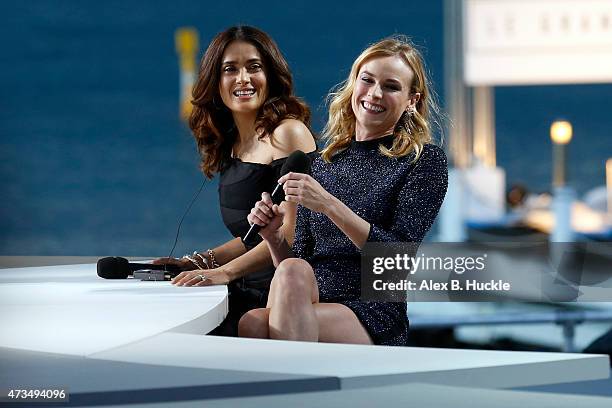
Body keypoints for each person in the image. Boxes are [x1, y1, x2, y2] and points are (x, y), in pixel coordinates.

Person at [239, 36, 448, 346]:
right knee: (263, 307)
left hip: (371, 308)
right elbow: (297, 261)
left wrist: (329, 205)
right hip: (308, 299)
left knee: (262, 323)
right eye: (368, 80)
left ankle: (296, 391)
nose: (375, 93)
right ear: (355, 84)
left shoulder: (424, 161)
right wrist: (273, 236)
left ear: (412, 100)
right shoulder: (320, 164)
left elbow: (397, 258)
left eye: (391, 86)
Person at [153, 26, 316, 336]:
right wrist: (198, 261)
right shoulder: (233, 145)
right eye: (231, 69)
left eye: (254, 67)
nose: (243, 78)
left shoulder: (287, 133)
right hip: (247, 285)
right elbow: (252, 235)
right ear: (216, 82)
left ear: (271, 75)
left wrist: (224, 272)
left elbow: (293, 234)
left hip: (285, 293)